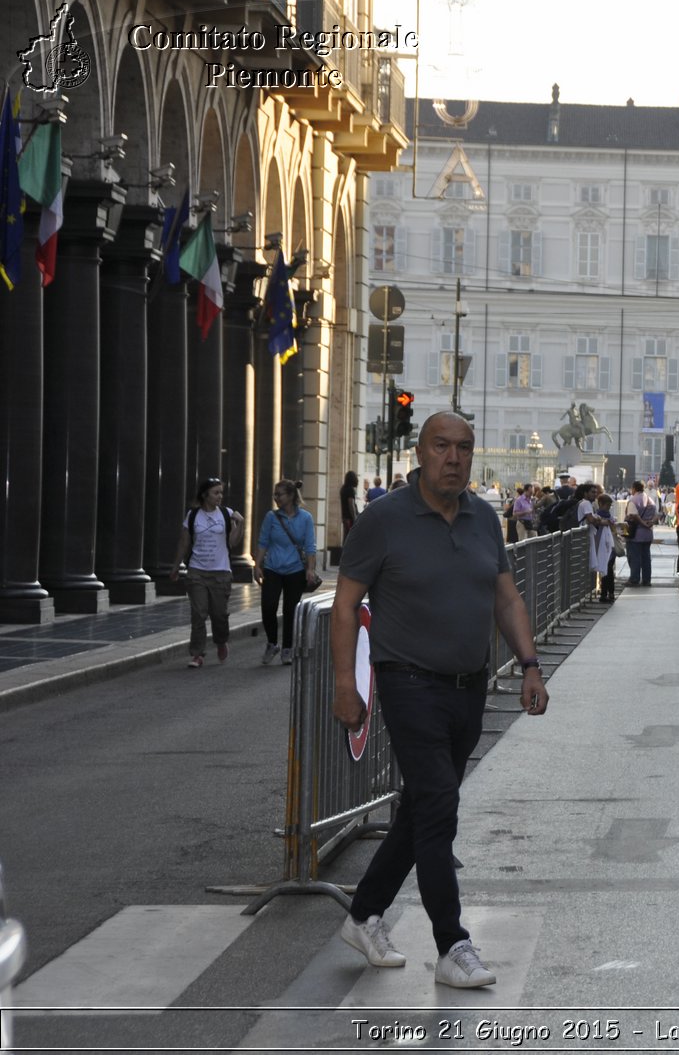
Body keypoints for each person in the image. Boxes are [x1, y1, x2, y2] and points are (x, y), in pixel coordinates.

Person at [331, 411, 550, 989]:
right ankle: (452, 944)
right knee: (439, 807)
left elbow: (505, 599)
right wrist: (343, 683)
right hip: (408, 683)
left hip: (467, 686)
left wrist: (530, 665)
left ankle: (363, 914)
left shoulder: (483, 518)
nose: (454, 458)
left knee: (425, 809)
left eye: (464, 449)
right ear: (420, 452)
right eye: (441, 447)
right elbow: (346, 605)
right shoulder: (382, 520)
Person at [172, 477, 243, 669]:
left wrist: (241, 524)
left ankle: (221, 641)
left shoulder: (227, 514)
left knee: (219, 615)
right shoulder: (193, 515)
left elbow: (233, 543)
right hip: (197, 571)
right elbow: (184, 542)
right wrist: (176, 566)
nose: (220, 496)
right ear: (205, 495)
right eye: (216, 492)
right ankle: (197, 654)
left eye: (221, 492)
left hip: (221, 572)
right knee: (198, 614)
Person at [254, 479, 318, 666]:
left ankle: (287, 648)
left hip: (295, 570)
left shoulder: (305, 518)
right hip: (272, 568)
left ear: (290, 496)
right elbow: (263, 542)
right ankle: (272, 643)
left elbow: (310, 546)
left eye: (279, 494)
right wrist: (257, 565)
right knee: (268, 606)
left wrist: (311, 569)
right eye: (275, 494)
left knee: (290, 610)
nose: (276, 498)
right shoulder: (271, 517)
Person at [623, 480, 657, 587]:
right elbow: (657, 514)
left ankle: (634, 579)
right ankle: (647, 580)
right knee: (646, 558)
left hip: (635, 534)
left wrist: (642, 523)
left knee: (634, 558)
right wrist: (650, 523)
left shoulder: (633, 500)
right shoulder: (650, 499)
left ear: (633, 488)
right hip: (648, 534)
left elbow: (634, 516)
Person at [585, 490, 618, 601]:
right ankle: (609, 593)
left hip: (602, 546)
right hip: (606, 545)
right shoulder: (607, 517)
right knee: (608, 570)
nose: (608, 508)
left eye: (609, 505)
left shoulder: (598, 516)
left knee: (606, 570)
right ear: (601, 504)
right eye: (607, 505)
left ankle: (605, 593)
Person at [339, 471, 360, 540]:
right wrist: (354, 518)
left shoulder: (343, 489)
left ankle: (344, 550)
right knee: (350, 537)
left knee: (346, 536)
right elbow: (351, 505)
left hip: (345, 516)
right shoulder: (351, 490)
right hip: (349, 518)